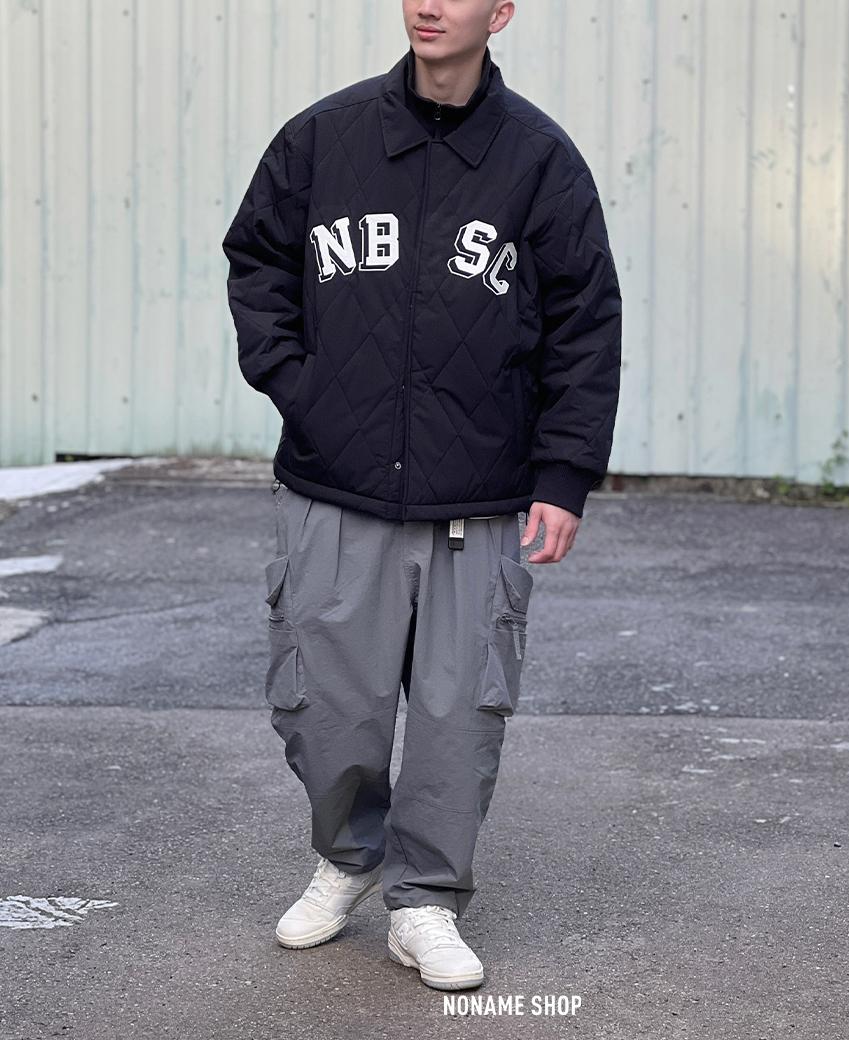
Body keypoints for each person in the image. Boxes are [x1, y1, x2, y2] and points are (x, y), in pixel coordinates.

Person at [223, 0, 621, 991]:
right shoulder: (325, 138)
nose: (429, 4)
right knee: (324, 709)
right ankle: (348, 855)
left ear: (501, 12)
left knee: (457, 716)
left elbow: (584, 322)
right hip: (336, 480)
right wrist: (301, 386)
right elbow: (257, 260)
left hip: (476, 495)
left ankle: (426, 901)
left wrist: (563, 474)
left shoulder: (539, 160)